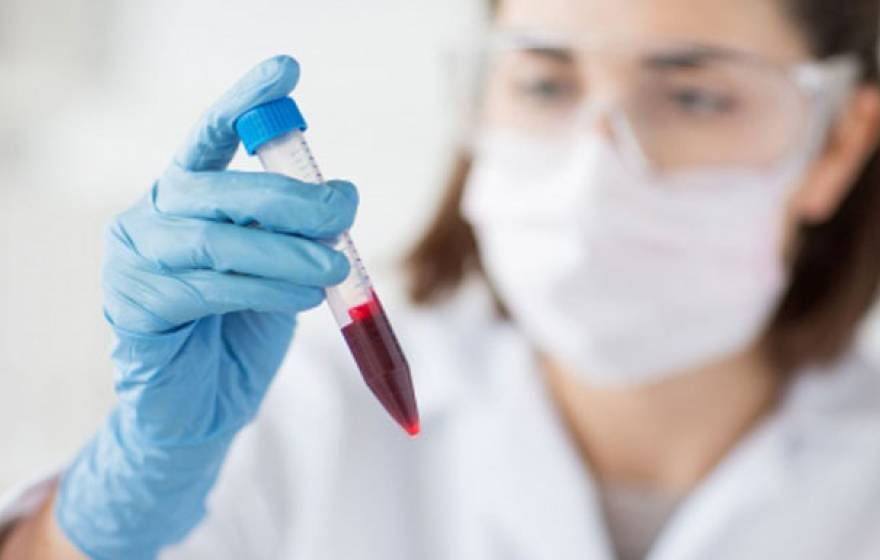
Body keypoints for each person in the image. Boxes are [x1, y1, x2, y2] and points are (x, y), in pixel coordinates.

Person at [3, 0, 880, 557]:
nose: (592, 169)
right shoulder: (294, 406)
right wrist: (115, 515)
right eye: (544, 83)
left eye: (694, 97)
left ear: (837, 139)